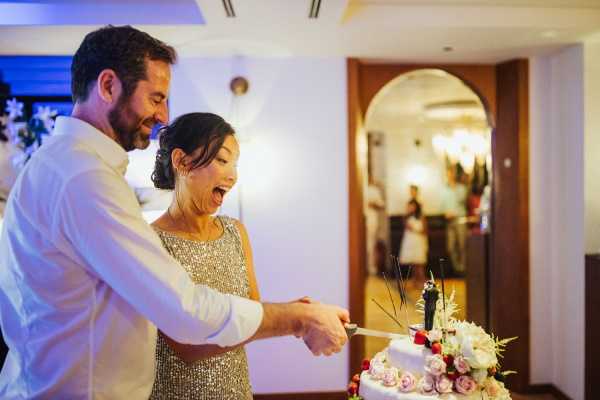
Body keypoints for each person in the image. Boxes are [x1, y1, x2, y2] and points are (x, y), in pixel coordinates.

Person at [0, 25, 348, 399]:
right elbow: (185, 312)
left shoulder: (60, 165)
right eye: (156, 98)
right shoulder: (84, 178)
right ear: (107, 86)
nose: (163, 115)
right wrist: (297, 319)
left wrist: (289, 312)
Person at [148, 113, 257, 399]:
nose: (232, 176)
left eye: (235, 164)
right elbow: (187, 345)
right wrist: (290, 319)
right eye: (222, 160)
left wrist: (290, 313)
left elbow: (254, 312)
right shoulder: (150, 242)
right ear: (181, 162)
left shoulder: (236, 233)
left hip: (237, 391)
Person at [440, 168, 468, 275]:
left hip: (460, 218)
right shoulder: (444, 190)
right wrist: (445, 213)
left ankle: (464, 269)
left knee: (462, 245)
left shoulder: (461, 188)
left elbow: (461, 202)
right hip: (449, 221)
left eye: (451, 174)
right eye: (447, 174)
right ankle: (457, 268)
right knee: (450, 247)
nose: (449, 176)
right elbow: (442, 205)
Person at [398, 197, 428, 287]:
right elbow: (405, 225)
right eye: (409, 206)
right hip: (410, 240)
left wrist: (415, 229)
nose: (410, 208)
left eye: (412, 206)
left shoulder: (421, 216)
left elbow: (424, 229)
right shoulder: (406, 217)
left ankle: (422, 280)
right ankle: (414, 280)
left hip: (418, 240)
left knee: (419, 262)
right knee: (413, 262)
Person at [365, 177, 385, 275]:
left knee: (371, 244)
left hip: (371, 218)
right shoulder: (361, 187)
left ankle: (371, 268)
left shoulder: (374, 190)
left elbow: (381, 204)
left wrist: (372, 204)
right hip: (361, 219)